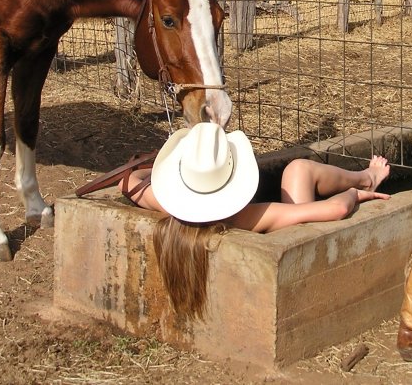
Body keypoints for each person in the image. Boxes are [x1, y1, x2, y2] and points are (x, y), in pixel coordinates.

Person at [118, 122, 391, 321]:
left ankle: (365, 177)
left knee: (297, 170)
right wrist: (354, 193)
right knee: (299, 169)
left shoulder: (167, 206)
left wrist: (171, 171)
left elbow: (127, 180)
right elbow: (335, 210)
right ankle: (366, 178)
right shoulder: (247, 216)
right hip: (294, 251)